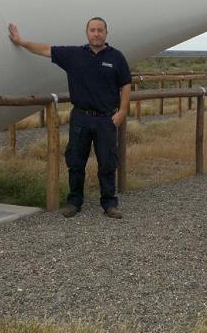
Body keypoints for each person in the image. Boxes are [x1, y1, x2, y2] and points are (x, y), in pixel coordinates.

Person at [8, 17, 131, 218]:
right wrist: (21, 42)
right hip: (81, 118)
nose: (96, 33)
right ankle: (74, 202)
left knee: (108, 163)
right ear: (87, 33)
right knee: (75, 162)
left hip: (106, 120)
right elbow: (45, 50)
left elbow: (126, 84)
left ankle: (109, 204)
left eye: (100, 30)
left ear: (106, 33)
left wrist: (123, 112)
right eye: (93, 30)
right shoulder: (74, 55)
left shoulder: (116, 57)